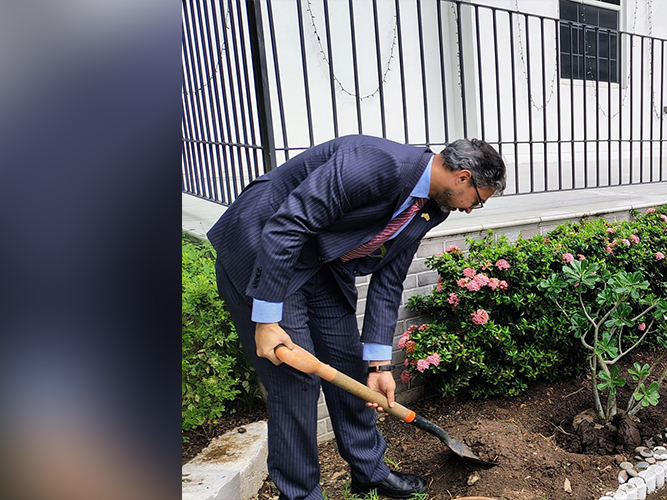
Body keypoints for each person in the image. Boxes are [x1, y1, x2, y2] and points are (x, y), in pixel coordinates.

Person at [208, 135, 506, 500]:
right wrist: (267, 321)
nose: (470, 210)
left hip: (319, 263)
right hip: (264, 249)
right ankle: (300, 494)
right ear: (462, 177)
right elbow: (287, 224)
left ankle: (369, 471)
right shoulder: (377, 163)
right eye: (476, 200)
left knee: (349, 365)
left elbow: (390, 277)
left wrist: (380, 366)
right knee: (295, 380)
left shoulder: (433, 207)